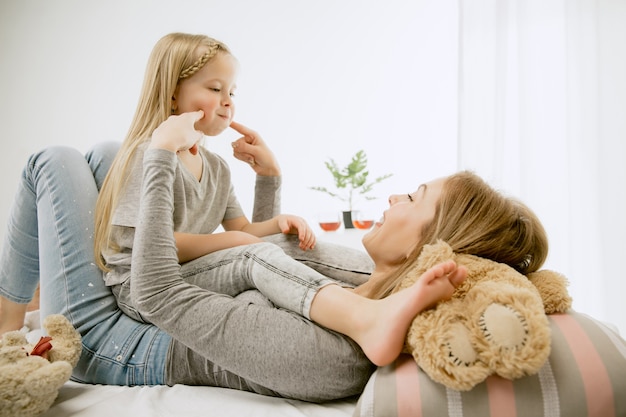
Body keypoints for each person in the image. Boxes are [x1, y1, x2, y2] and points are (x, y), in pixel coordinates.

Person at [88, 32, 464, 370]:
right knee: (254, 255)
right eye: (214, 88)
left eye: (232, 92)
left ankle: (389, 288)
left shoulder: (216, 167)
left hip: (195, 274)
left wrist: (271, 185)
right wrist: (239, 243)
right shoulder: (148, 155)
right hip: (140, 285)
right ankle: (364, 318)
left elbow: (245, 231)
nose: (226, 102)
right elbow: (160, 246)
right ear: (172, 92)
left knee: (278, 245)